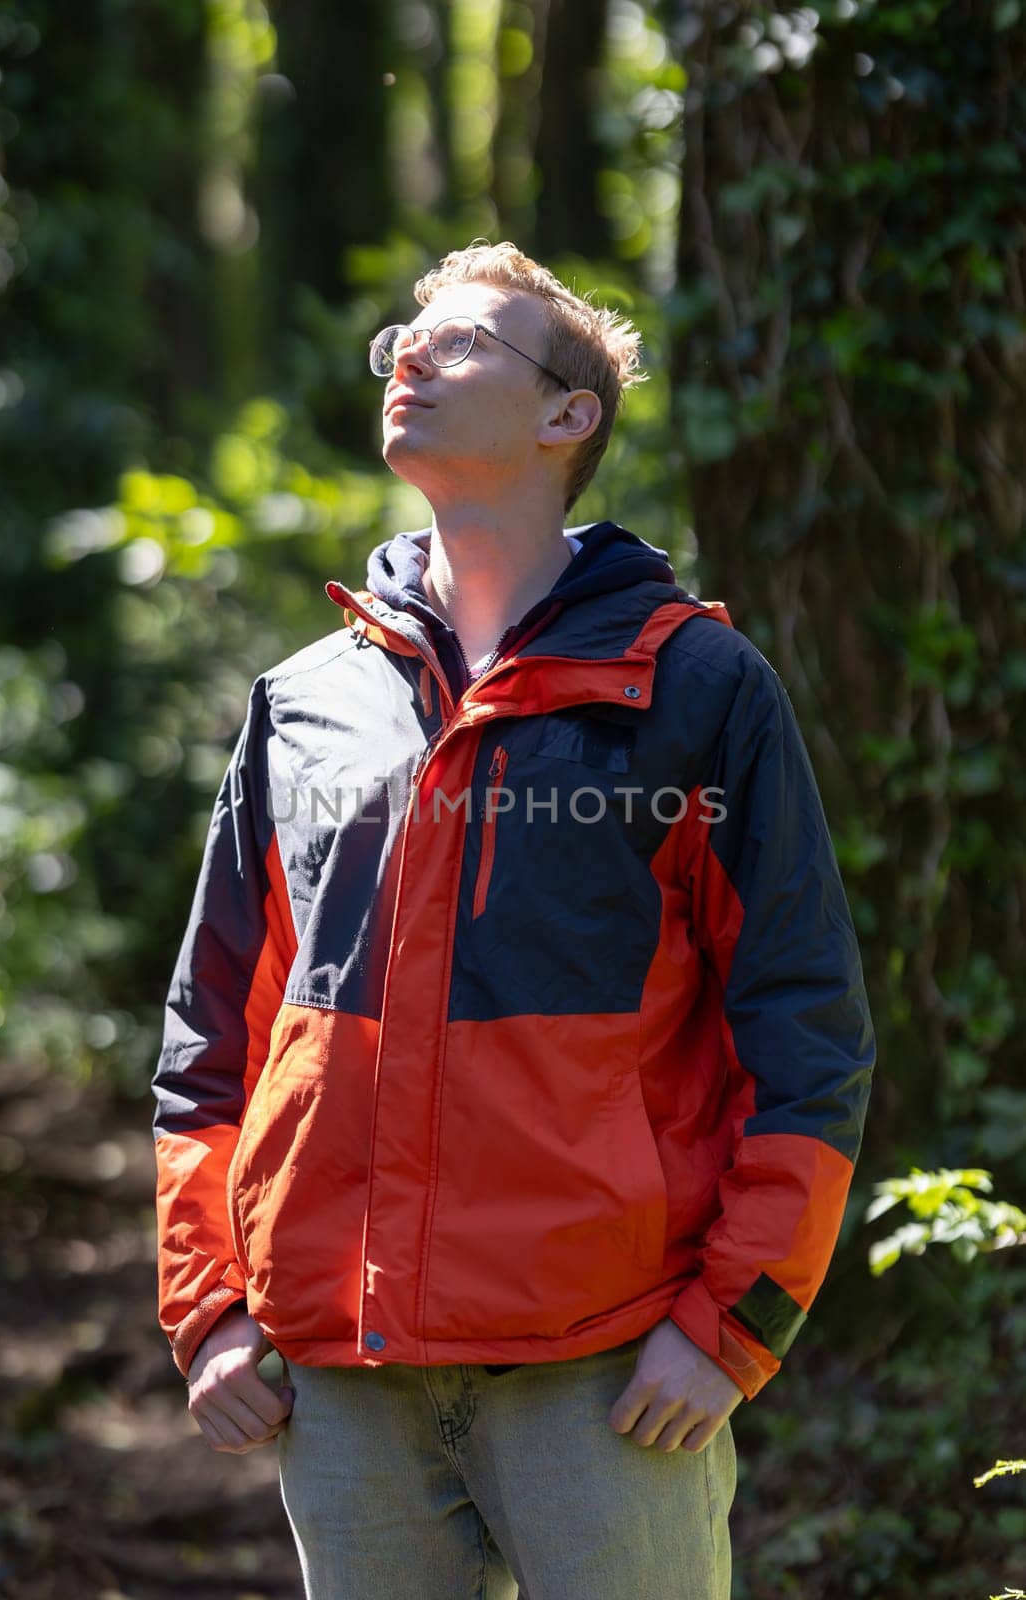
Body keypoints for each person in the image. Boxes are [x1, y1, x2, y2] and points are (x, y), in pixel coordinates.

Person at [151, 240, 875, 1599]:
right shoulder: (304, 703)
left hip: (607, 1377)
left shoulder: (699, 692)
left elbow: (809, 1037)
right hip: (345, 1379)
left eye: (464, 341)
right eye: (399, 345)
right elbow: (211, 1042)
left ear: (568, 417)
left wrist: (732, 1325)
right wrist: (209, 1311)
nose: (409, 358)